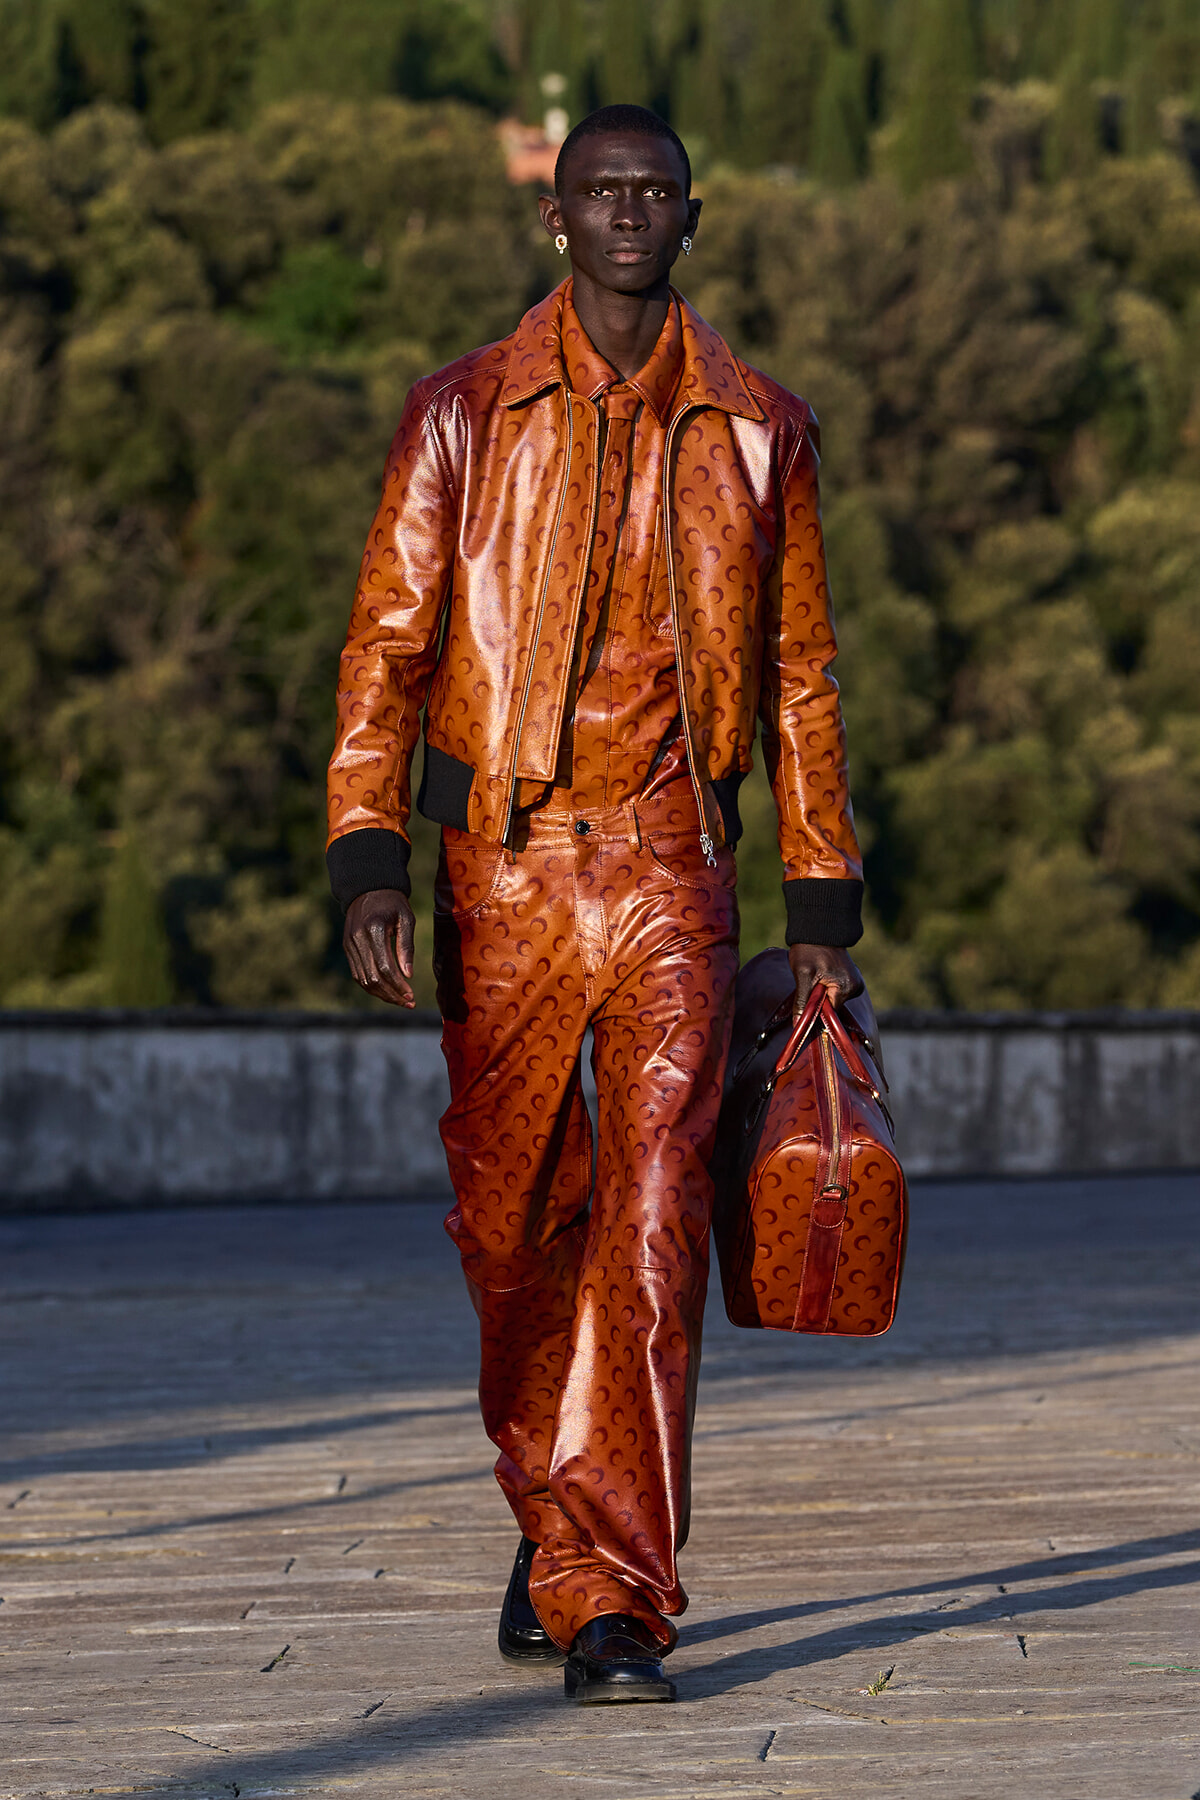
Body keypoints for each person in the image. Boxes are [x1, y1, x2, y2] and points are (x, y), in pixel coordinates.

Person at [325, 104, 863, 1705]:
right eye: (600, 191)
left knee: (651, 1220)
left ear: (689, 217)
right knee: (514, 1235)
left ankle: (615, 1588)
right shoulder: (463, 414)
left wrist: (818, 890)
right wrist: (366, 854)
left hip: (670, 872)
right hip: (498, 871)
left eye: (655, 191)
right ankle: (550, 1496)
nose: (629, 212)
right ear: (556, 220)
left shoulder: (763, 428)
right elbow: (386, 647)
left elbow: (801, 678)